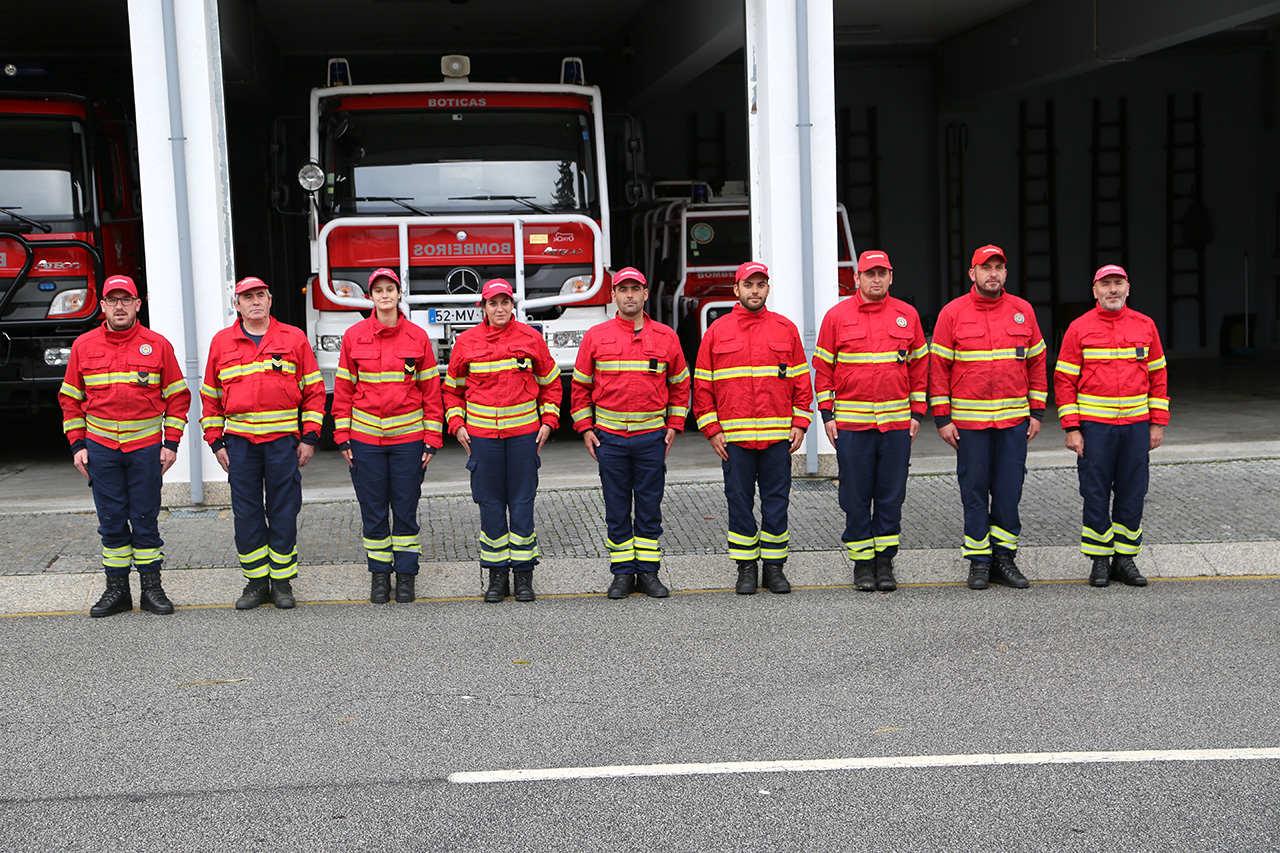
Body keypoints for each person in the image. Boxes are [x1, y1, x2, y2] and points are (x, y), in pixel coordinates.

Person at [58, 274, 191, 617]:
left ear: (137, 305)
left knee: (145, 517)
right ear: (102, 306)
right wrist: (77, 445)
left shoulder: (158, 345)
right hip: (100, 447)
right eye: (112, 301)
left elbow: (178, 397)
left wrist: (171, 443)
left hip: (145, 448)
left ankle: (152, 589)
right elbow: (70, 400)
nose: (120, 306)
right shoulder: (84, 346)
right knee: (112, 520)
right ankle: (116, 590)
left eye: (126, 300)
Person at [201, 276, 325, 610]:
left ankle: (282, 583)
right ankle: (256, 582)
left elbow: (314, 392)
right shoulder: (222, 342)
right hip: (240, 445)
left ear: (270, 301)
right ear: (237, 305)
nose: (255, 301)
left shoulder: (293, 338)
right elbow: (210, 398)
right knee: (247, 513)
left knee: (284, 511)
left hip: (283, 443)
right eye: (247, 297)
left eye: (260, 295)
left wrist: (309, 437)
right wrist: (216, 442)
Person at [930, 244, 1047, 590]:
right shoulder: (952, 314)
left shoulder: (1022, 311)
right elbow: (938, 369)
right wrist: (942, 418)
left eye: (998, 267)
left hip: (1013, 424)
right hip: (970, 426)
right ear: (973, 273)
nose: (992, 273)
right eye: (986, 268)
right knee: (975, 490)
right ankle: (979, 561)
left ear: (1005, 273)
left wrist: (1037, 411)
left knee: (1009, 491)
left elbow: (1037, 362)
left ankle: (1004, 559)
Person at [692, 261, 813, 595]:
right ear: (736, 290)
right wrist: (711, 429)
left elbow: (802, 381)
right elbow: (702, 386)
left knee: (776, 502)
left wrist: (801, 423)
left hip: (777, 439)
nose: (755, 291)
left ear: (768, 289)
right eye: (749, 285)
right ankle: (746, 568)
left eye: (761, 285)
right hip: (734, 441)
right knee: (739, 502)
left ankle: (774, 569)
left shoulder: (785, 329)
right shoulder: (717, 331)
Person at [570, 267, 690, 599]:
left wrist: (674, 426)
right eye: (623, 290)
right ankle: (623, 574)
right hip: (610, 438)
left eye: (635, 289)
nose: (629, 296)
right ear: (614, 296)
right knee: (617, 507)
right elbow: (580, 387)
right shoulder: (596, 336)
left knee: (650, 506)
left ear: (645, 293)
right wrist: (585, 428)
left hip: (651, 438)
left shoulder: (666, 337)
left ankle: (649, 573)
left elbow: (681, 386)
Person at [813, 250, 927, 593]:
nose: (876, 280)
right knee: (855, 495)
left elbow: (920, 369)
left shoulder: (908, 315)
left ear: (891, 277)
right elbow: (823, 369)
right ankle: (862, 564)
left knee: (891, 495)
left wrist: (918, 414)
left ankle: (885, 561)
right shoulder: (837, 316)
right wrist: (828, 415)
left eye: (882, 273)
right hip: (852, 426)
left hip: (895, 427)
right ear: (857, 279)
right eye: (869, 274)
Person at [444, 278, 561, 603]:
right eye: (493, 303)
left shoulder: (530, 339)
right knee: (491, 507)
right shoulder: (465, 343)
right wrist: (457, 425)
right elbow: (452, 391)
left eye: (504, 302)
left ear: (513, 305)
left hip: (523, 438)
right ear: (483, 307)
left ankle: (523, 576)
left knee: (522, 505)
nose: (499, 308)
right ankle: (496, 577)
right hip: (483, 440)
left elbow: (551, 385)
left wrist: (549, 422)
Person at [332, 268, 444, 604]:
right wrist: (342, 437)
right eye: (378, 290)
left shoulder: (417, 338)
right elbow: (343, 391)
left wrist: (432, 439)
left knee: (406, 509)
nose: (384, 295)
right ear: (370, 297)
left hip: (409, 441)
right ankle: (380, 577)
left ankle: (406, 577)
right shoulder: (354, 336)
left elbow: (430, 391)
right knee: (374, 511)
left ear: (399, 294)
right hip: (365, 442)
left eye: (390, 289)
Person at [1055, 264, 1169, 587]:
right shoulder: (1078, 329)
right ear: (1095, 291)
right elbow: (1064, 381)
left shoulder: (1146, 326)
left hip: (1135, 427)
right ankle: (1100, 561)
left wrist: (1157, 422)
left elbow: (1159, 377)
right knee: (1095, 492)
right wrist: (1072, 428)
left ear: (1128, 288)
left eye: (1118, 283)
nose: (1113, 290)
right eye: (1106, 285)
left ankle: (1125, 560)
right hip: (1095, 429)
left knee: (1133, 493)